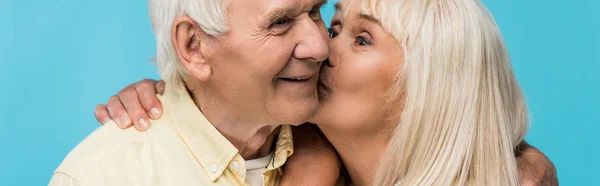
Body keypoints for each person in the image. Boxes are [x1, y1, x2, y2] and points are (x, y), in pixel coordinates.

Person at [96, 0, 559, 185]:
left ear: (435, 84)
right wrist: (182, 86)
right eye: (336, 25)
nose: (319, 47)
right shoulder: (288, 156)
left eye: (361, 39)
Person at [49, 0, 335, 185]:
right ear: (193, 47)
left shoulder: (341, 141)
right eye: (280, 22)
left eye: (315, 12)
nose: (320, 46)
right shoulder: (102, 176)